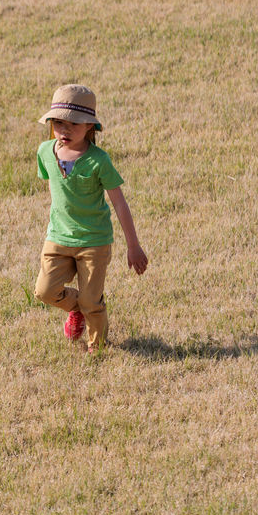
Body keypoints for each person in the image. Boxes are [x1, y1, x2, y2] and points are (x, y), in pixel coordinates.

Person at [32, 84, 148, 353]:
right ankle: (77, 309)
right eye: (58, 123)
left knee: (92, 301)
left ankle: (97, 348)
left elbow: (119, 203)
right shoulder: (45, 152)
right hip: (58, 237)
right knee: (44, 291)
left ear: (89, 127)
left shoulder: (98, 161)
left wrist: (133, 246)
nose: (65, 129)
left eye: (74, 123)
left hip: (94, 241)